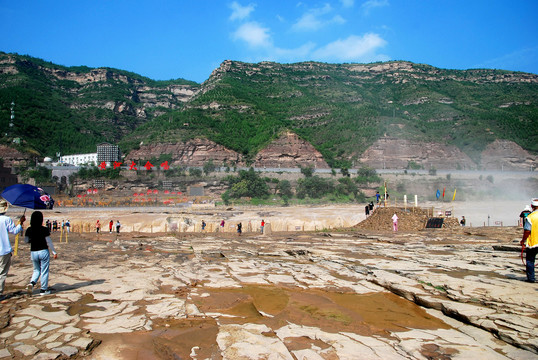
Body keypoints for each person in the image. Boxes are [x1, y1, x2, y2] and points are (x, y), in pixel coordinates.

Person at [24, 211, 57, 296]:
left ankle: (32, 283)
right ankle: (43, 290)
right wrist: (54, 252)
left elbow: (26, 241)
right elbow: (49, 242)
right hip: (43, 251)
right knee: (44, 271)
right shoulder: (44, 229)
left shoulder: (29, 229)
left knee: (36, 270)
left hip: (33, 252)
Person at [0, 199, 25, 300]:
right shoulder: (6, 219)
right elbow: (14, 231)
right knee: (2, 272)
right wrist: (20, 223)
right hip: (4, 250)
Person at [520, 198, 538, 283]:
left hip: (533, 242)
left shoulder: (530, 217)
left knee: (530, 260)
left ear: (532, 206)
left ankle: (531, 278)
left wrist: (523, 240)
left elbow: (527, 231)